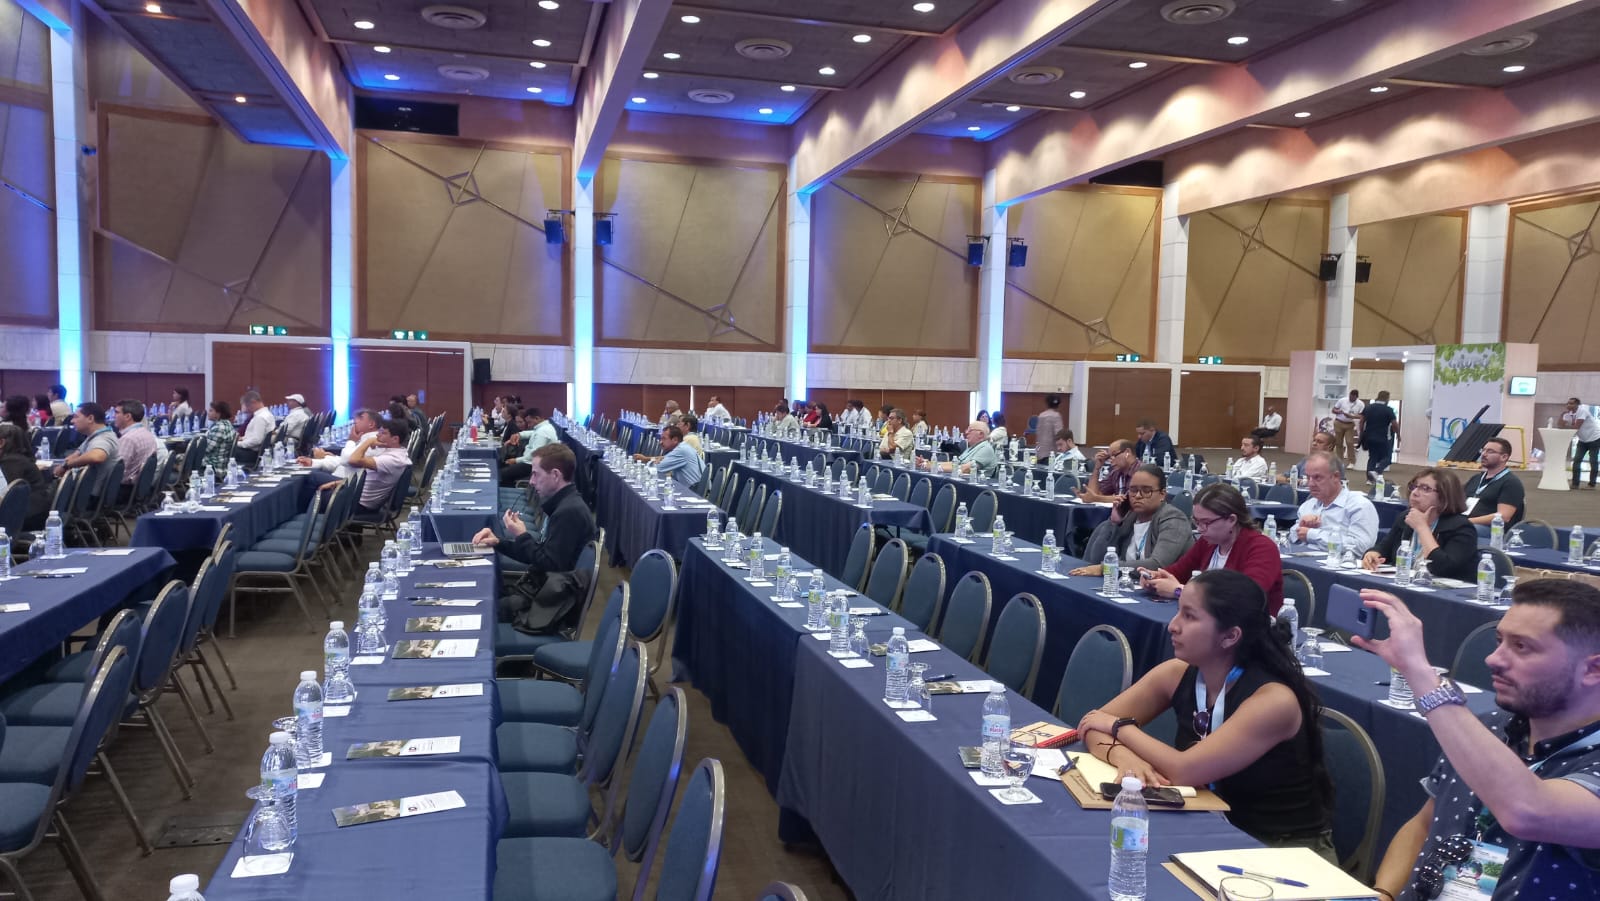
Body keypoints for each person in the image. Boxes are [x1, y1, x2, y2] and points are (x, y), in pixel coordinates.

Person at [1363, 580, 1600, 901]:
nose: (1493, 659)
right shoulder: (1488, 728)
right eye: (1499, 641)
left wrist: (1420, 674)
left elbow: (1527, 810)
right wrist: (1384, 894)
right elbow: (1424, 825)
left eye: (1522, 647)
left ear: (1593, 669)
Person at [1077, 569, 1335, 857]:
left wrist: (1120, 728)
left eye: (1189, 616)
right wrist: (1124, 758)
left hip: (1281, 849)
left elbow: (1184, 770)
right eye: (1178, 612)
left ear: (1230, 636)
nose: (1173, 626)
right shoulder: (1175, 674)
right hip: (1201, 824)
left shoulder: (1274, 701)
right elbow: (1091, 725)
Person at [472, 443, 598, 633]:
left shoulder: (569, 512)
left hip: (547, 607)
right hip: (543, 592)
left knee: (478, 607)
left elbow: (549, 563)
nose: (531, 481)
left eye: (535, 474)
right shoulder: (565, 504)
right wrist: (498, 542)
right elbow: (541, 554)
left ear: (555, 475)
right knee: (487, 590)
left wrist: (522, 535)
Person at [1142, 482, 1285, 614]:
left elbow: (1246, 599)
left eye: (1206, 522)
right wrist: (1155, 578)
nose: (1200, 529)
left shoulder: (1262, 548)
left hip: (1249, 627)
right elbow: (1178, 571)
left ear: (1231, 520)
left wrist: (1179, 591)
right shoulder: (1208, 541)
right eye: (1196, 521)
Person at [1073, 464, 1195, 575]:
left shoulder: (1174, 519)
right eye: (1133, 490)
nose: (1137, 496)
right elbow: (1095, 560)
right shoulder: (1130, 517)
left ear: (1162, 494)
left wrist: (1105, 568)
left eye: (1146, 491)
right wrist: (1113, 523)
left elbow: (1156, 565)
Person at [1362, 467, 1478, 582]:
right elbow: (1383, 547)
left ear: (1444, 496)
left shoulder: (1461, 527)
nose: (1415, 493)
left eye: (1425, 489)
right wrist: (1373, 554)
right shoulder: (1406, 517)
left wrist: (1422, 528)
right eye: (1414, 487)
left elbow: (1443, 567)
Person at [1289, 451, 1378, 553]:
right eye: (1308, 477)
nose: (1311, 484)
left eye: (1317, 477)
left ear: (1336, 476)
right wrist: (1302, 526)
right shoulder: (1308, 505)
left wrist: (1311, 534)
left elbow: (1361, 546)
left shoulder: (1359, 506)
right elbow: (1292, 536)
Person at [53, 403, 120, 507]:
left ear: (90, 418)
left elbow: (97, 456)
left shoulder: (103, 438)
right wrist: (63, 465)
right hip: (83, 490)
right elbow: (76, 454)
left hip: (88, 497)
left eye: (76, 417)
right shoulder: (93, 436)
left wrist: (66, 465)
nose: (72, 421)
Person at [348, 417, 413, 516]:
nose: (377, 435)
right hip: (356, 495)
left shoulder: (392, 459)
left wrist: (368, 441)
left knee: (320, 479)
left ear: (395, 439)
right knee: (323, 479)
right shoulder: (396, 453)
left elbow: (353, 460)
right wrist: (339, 483)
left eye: (383, 433)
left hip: (359, 505)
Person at [298, 408, 378, 481]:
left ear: (371, 424)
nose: (353, 426)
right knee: (307, 474)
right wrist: (314, 462)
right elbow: (341, 460)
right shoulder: (364, 439)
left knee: (308, 477)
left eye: (357, 422)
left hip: (346, 482)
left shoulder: (373, 442)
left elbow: (346, 460)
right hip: (342, 477)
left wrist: (351, 441)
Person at [1462, 436, 1525, 527]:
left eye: (1490, 451)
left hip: (1492, 529)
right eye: (1483, 450)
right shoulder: (1476, 479)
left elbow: (1503, 516)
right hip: (1467, 524)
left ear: (1504, 457)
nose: (1484, 454)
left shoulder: (1511, 483)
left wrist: (1467, 522)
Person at [0, 422, 53, 530]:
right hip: (37, 511)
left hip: (26, 518)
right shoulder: (22, 459)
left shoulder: (10, 462)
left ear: (1, 442)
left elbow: (5, 496)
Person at [112, 400, 157, 502]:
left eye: (117, 412)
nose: (114, 416)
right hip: (140, 488)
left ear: (128, 416)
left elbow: (116, 473)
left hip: (125, 491)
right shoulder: (146, 433)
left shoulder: (128, 439)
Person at [500, 407, 558, 487]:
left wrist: (516, 460)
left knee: (503, 474)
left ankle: (509, 491)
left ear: (537, 418)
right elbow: (533, 433)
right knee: (503, 466)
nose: (529, 425)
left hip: (532, 464)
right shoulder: (544, 427)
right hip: (530, 461)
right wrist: (519, 434)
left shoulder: (543, 432)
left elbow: (534, 454)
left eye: (530, 422)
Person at [922, 421, 997, 477]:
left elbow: (966, 469)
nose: (966, 432)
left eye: (970, 430)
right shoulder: (972, 448)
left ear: (981, 434)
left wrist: (934, 467)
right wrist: (930, 463)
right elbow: (955, 463)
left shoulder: (986, 449)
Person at [640, 425, 703, 490]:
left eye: (664, 439)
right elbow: (661, 460)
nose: (660, 442)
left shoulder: (681, 450)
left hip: (694, 491)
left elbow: (656, 469)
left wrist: (653, 462)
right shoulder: (682, 447)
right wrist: (656, 461)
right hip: (692, 487)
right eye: (661, 439)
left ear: (675, 440)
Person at [1079, 439, 1138, 503]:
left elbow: (1131, 500)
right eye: (1109, 457)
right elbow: (1093, 494)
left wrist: (1097, 498)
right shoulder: (1115, 473)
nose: (1111, 460)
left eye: (1114, 455)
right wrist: (1097, 468)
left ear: (1127, 452)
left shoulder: (1141, 471)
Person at [1360, 390, 1399, 483]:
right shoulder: (1388, 410)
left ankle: (1369, 479)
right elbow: (1394, 424)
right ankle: (1377, 471)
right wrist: (1398, 434)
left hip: (1369, 436)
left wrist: (1361, 433)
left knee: (1372, 457)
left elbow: (1362, 421)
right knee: (1387, 458)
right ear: (1387, 398)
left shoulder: (1368, 408)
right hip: (1383, 437)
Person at [1561, 396, 1600, 489]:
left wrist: (1567, 425)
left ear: (1577, 405)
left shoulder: (1582, 411)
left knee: (1593, 461)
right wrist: (1562, 415)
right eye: (1568, 403)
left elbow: (1576, 427)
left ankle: (1591, 485)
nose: (1569, 405)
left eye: (1571, 403)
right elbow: (1560, 426)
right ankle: (1575, 484)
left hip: (1595, 438)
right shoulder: (1568, 414)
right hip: (1583, 440)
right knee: (1577, 460)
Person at [235, 390, 276, 465]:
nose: (247, 409)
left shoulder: (260, 418)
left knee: (225, 450)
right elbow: (255, 436)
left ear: (253, 402)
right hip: (257, 452)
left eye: (248, 406)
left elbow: (257, 440)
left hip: (251, 454)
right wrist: (243, 438)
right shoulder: (267, 414)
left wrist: (238, 444)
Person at [1331, 389, 1364, 466]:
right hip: (1339, 422)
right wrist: (1338, 411)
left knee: (1350, 442)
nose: (1351, 398)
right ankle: (1340, 461)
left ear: (1356, 397)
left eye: (1353, 397)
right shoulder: (1342, 400)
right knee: (1338, 442)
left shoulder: (1360, 404)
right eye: (1350, 397)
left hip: (1350, 424)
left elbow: (1361, 416)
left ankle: (1352, 461)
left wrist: (1352, 416)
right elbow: (1333, 410)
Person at [203, 401, 237, 473]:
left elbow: (205, 449)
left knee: (182, 458)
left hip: (213, 465)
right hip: (220, 461)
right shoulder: (227, 423)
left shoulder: (219, 428)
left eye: (211, 410)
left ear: (218, 413)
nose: (208, 413)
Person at [1035, 394, 1063, 462]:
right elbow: (1059, 434)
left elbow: (1038, 431)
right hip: (1051, 453)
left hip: (1040, 452)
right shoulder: (1056, 416)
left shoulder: (1041, 415)